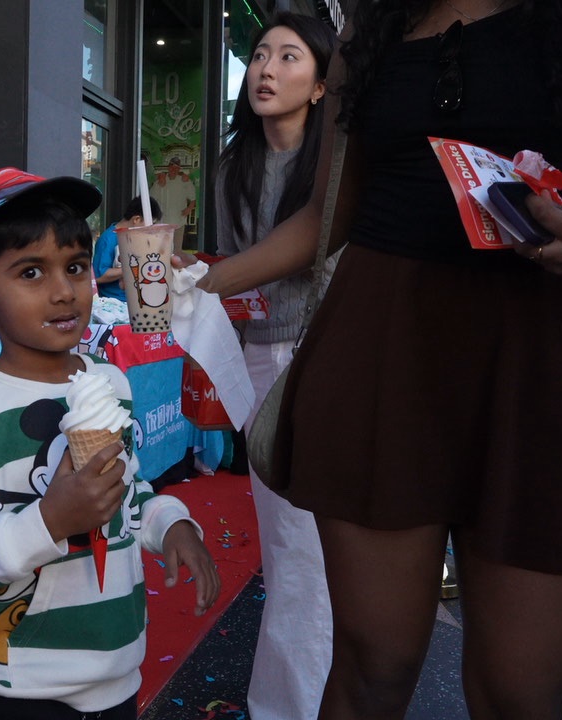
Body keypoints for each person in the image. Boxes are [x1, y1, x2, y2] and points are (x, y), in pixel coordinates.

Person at [195, 1, 562, 717]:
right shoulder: (374, 21)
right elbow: (326, 217)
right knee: (372, 667)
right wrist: (188, 290)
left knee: (519, 695)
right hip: (382, 355)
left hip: (540, 367)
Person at [0, 167, 220, 720]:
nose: (63, 291)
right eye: (31, 271)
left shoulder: (111, 385)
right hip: (12, 686)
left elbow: (130, 489)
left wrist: (169, 522)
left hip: (116, 673)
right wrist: (49, 520)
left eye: (75, 266)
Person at [214, 13, 335, 720]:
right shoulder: (236, 166)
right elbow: (241, 278)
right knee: (290, 541)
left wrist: (209, 282)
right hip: (263, 355)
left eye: (289, 57)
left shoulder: (335, 165)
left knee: (312, 548)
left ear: (321, 86)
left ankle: (294, 704)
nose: (266, 68)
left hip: (329, 356)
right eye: (260, 54)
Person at [93, 196, 162, 300]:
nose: (150, 230)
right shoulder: (109, 239)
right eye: (149, 225)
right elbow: (98, 276)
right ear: (136, 219)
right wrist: (131, 267)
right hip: (115, 303)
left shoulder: (134, 237)